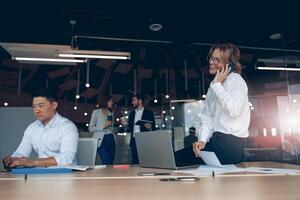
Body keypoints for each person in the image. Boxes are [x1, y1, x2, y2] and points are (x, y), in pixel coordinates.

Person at [175, 43, 250, 165]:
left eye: (217, 59)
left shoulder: (236, 80)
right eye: (211, 58)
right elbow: (207, 118)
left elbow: (235, 111)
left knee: (179, 160)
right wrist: (202, 141)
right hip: (216, 142)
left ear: (228, 64)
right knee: (176, 158)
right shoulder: (213, 87)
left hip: (230, 146)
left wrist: (217, 86)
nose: (211, 62)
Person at [3, 88, 79, 167]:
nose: (36, 110)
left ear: (54, 105)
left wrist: (34, 162)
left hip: (64, 173)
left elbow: (67, 157)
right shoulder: (32, 128)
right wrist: (13, 159)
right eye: (34, 107)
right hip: (40, 173)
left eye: (40, 106)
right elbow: (21, 152)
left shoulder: (67, 127)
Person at [127, 95, 156, 164]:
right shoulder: (131, 114)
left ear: (140, 101)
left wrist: (150, 127)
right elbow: (129, 129)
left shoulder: (149, 113)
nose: (132, 102)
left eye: (134, 100)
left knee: (146, 160)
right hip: (134, 139)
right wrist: (125, 125)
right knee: (135, 160)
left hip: (145, 139)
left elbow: (153, 128)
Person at [89, 96, 116, 165]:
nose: (112, 103)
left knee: (110, 164)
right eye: (111, 101)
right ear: (106, 101)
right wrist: (103, 126)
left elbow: (111, 128)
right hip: (101, 140)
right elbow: (90, 128)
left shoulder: (111, 113)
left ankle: (110, 175)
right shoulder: (96, 112)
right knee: (107, 162)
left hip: (111, 139)